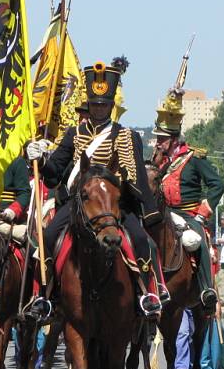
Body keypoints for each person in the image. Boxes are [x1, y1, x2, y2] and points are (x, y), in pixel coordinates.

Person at [26, 61, 164, 319]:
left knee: (140, 239)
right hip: (81, 203)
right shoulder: (73, 134)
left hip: (114, 205)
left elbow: (134, 176)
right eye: (95, 104)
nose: (99, 109)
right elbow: (54, 171)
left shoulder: (125, 136)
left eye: (104, 104)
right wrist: (39, 158)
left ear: (112, 106)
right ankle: (42, 296)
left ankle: (147, 293)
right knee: (47, 237)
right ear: (89, 104)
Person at [151, 87, 224, 312]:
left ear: (174, 140)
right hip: (163, 213)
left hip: (188, 214)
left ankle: (205, 289)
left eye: (162, 139)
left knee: (197, 240)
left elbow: (216, 185)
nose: (157, 143)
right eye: (158, 139)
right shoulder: (157, 162)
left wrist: (203, 213)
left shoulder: (194, 157)